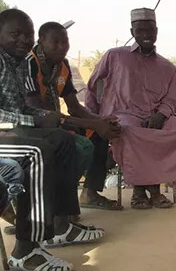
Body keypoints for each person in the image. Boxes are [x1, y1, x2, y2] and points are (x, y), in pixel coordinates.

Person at [0, 8, 103, 271]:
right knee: (38, 151)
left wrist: (45, 115)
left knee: (62, 140)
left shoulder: (17, 64)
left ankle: (60, 225)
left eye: (28, 34)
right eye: (15, 34)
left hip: (10, 130)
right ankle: (26, 247)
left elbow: (23, 109)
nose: (24, 39)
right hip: (5, 132)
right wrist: (35, 120)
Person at [85, 8, 176, 210]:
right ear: (132, 32)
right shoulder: (115, 56)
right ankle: (148, 191)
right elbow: (93, 85)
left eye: (150, 30)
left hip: (159, 117)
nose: (146, 35)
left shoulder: (167, 67)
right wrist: (94, 120)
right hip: (123, 114)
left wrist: (160, 115)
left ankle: (149, 188)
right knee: (131, 131)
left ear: (156, 31)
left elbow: (171, 99)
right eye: (140, 30)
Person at [23, 22, 122, 210]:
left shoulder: (63, 66)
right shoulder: (29, 63)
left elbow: (74, 107)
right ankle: (56, 202)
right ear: (41, 40)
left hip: (55, 122)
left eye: (65, 41)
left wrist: (100, 121)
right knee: (78, 146)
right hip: (31, 124)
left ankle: (89, 194)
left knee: (99, 135)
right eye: (56, 41)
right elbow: (40, 113)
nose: (62, 46)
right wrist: (95, 123)